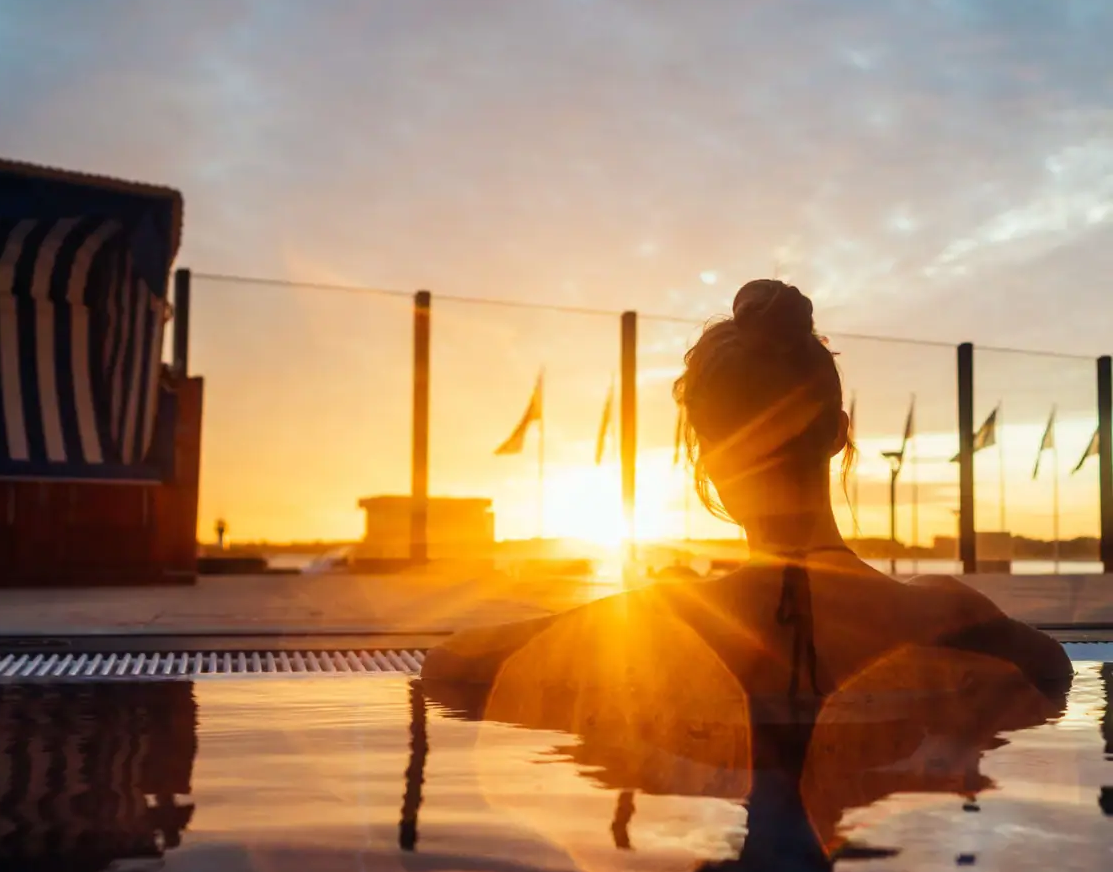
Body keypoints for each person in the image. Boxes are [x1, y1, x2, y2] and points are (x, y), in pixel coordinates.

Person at [422, 279, 1072, 703]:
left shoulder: (665, 620)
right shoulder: (946, 615)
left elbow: (451, 665)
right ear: (838, 435)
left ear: (710, 458)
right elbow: (1055, 668)